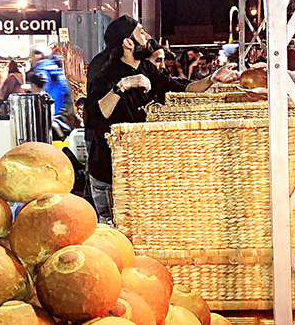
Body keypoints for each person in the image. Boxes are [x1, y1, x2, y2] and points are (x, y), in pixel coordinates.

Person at [85, 15, 239, 223]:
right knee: (114, 230)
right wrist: (123, 85)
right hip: (109, 172)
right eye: (141, 32)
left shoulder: (146, 68)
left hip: (136, 167)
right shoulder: (105, 73)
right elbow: (94, 115)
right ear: (128, 43)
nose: (147, 36)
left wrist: (213, 79)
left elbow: (181, 87)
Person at [29, 49, 74, 131]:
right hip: (62, 114)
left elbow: (42, 92)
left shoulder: (40, 70)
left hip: (50, 116)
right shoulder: (57, 70)